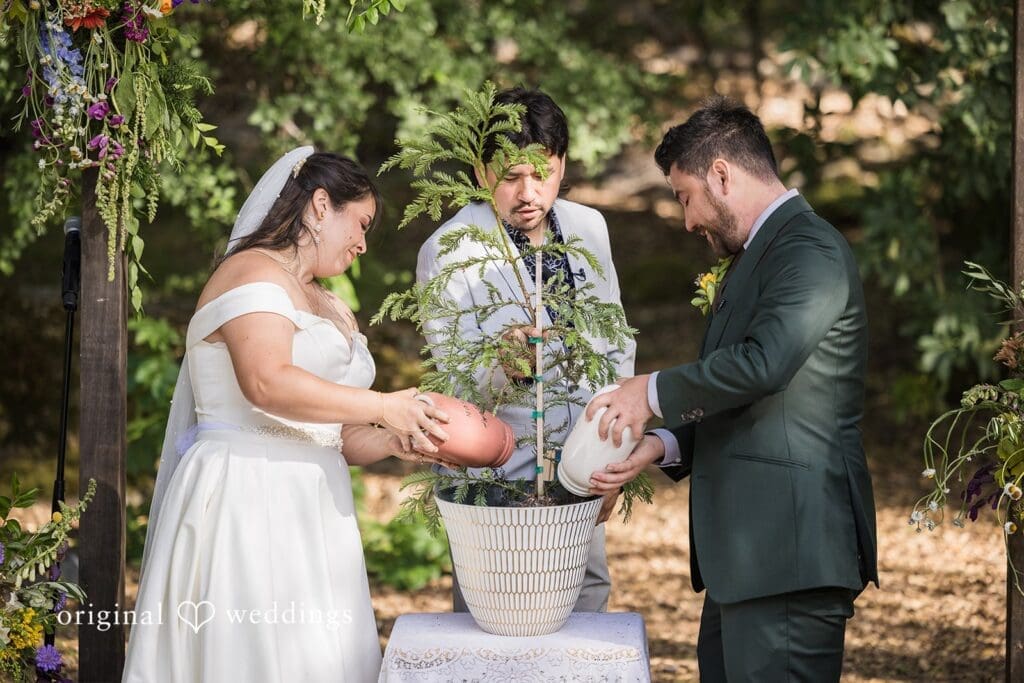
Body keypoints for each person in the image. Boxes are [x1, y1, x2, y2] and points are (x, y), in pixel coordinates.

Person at [123, 148, 453, 683]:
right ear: (321, 205)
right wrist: (384, 405)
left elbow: (337, 436)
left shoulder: (328, 303)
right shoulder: (249, 274)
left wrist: (391, 438)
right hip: (246, 496)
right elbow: (266, 382)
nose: (363, 243)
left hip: (315, 508)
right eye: (361, 223)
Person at [587, 97, 878, 681]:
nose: (689, 220)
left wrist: (649, 392)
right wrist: (662, 446)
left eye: (684, 196)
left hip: (790, 556)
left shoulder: (810, 250)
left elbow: (764, 365)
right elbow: (743, 395)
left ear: (722, 173)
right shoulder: (758, 256)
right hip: (744, 565)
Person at [416, 86, 636, 614]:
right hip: (494, 484)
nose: (528, 192)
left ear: (563, 164)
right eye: (510, 176)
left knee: (585, 603)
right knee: (499, 618)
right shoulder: (449, 251)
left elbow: (615, 345)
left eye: (544, 172)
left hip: (582, 464)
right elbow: (456, 386)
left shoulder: (589, 228)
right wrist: (504, 366)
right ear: (479, 173)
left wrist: (613, 456)